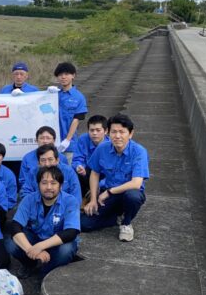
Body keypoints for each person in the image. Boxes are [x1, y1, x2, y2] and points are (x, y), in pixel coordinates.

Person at [81, 114, 149, 242]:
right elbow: (94, 173)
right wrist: (93, 200)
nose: (117, 136)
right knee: (84, 224)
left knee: (133, 196)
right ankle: (114, 218)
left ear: (130, 133)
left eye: (122, 132)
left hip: (126, 193)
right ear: (108, 132)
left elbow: (136, 183)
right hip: (109, 194)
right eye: (114, 132)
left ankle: (126, 223)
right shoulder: (102, 148)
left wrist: (108, 192)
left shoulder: (139, 151)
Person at [9, 166, 81, 278]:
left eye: (53, 183)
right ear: (38, 184)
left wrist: (40, 246)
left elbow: (71, 232)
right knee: (11, 244)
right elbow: (15, 227)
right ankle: (30, 264)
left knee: (66, 250)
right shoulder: (29, 199)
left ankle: (47, 271)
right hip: (35, 237)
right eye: (44, 183)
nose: (48, 187)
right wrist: (31, 249)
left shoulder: (70, 201)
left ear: (60, 186)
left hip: (56, 242)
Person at [53, 62, 88, 156]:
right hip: (51, 142)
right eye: (60, 75)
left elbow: (76, 120)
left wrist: (67, 140)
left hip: (69, 144)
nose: (63, 77)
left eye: (66, 74)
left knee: (68, 169)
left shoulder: (79, 97)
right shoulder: (53, 94)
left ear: (73, 75)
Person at [72, 115, 109, 197]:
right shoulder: (83, 139)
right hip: (87, 173)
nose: (94, 133)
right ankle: (80, 200)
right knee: (74, 172)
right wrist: (78, 166)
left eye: (98, 130)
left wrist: (99, 185)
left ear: (106, 131)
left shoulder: (111, 144)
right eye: (91, 130)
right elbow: (77, 159)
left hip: (104, 176)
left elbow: (113, 172)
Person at [19, 126, 61, 194]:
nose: (45, 141)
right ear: (36, 140)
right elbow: (23, 181)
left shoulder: (62, 157)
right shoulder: (27, 158)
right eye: (42, 138)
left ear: (54, 140)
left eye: (48, 138)